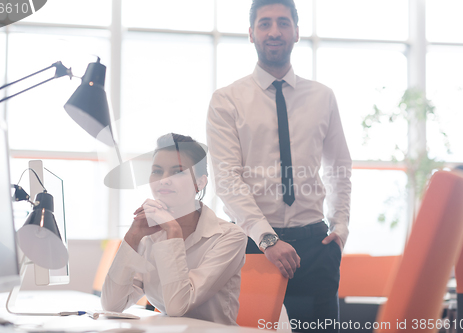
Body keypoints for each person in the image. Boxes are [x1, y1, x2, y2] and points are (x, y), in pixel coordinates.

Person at [206, 0, 352, 331]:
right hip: (252, 248)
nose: (275, 31)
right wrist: (267, 239)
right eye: (265, 23)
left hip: (316, 247)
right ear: (251, 34)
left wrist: (340, 226)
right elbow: (228, 179)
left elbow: (339, 166)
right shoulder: (227, 99)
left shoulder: (323, 97)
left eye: (284, 23)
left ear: (297, 32)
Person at [101, 133, 247, 326]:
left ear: (200, 183)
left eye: (178, 172)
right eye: (157, 171)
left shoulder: (229, 236)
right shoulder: (148, 235)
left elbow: (178, 306)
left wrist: (173, 232)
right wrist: (132, 237)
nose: (164, 180)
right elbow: (111, 305)